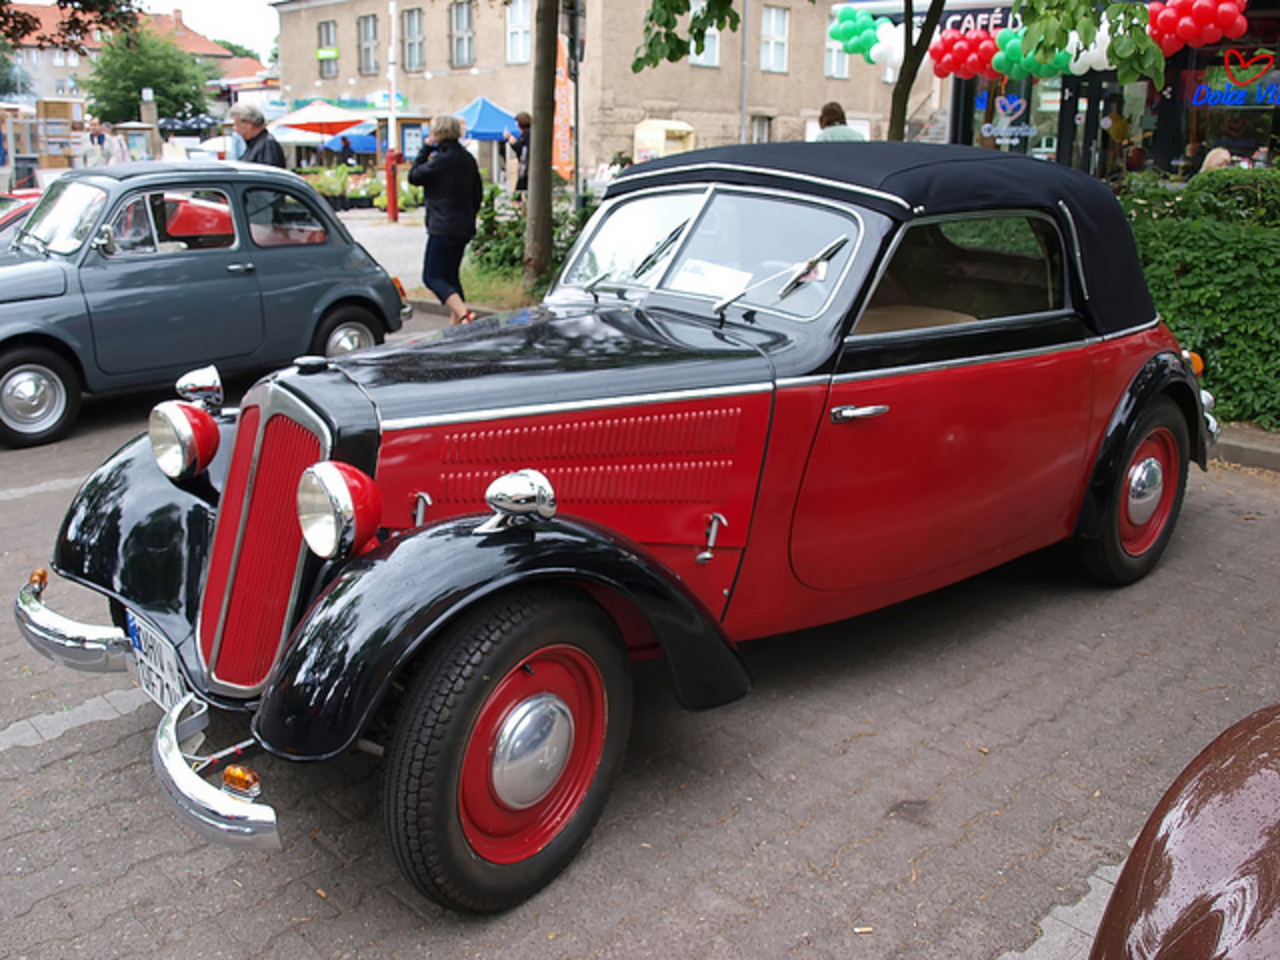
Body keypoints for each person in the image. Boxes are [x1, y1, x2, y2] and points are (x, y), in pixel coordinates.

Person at [408, 115, 484, 326]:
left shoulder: (441, 160)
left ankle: (463, 314)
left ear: (438, 133)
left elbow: (414, 176)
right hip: (463, 226)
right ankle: (455, 326)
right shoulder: (467, 158)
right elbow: (477, 192)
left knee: (432, 276)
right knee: (451, 276)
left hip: (442, 226)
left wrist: (425, 148)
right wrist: (469, 214)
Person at [228, 103, 285, 168]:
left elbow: (268, 175)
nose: (236, 130)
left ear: (249, 123)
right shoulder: (257, 144)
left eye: (237, 125)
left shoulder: (267, 145)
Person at [503, 111, 532, 194]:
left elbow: (521, 149)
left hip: (525, 169)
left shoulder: (527, 135)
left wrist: (513, 142)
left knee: (520, 192)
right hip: (526, 168)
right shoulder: (528, 134)